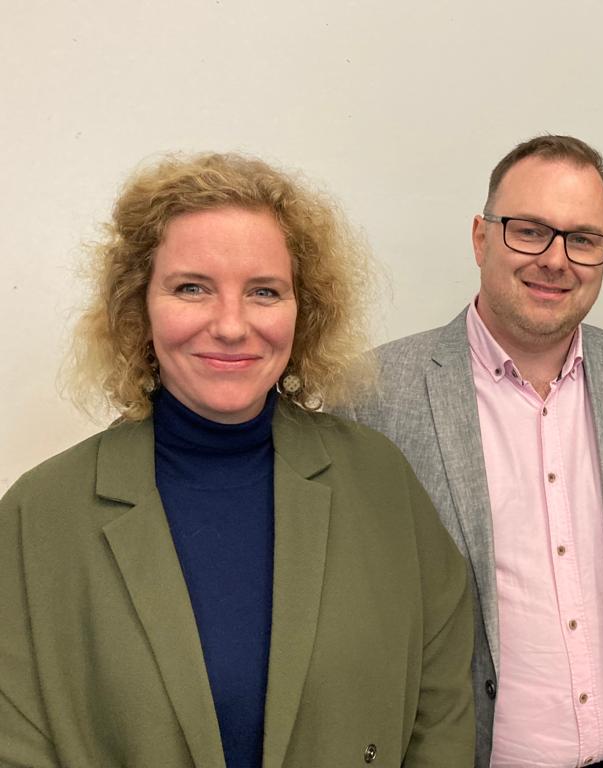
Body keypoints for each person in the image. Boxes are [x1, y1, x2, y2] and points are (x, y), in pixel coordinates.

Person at [0, 152, 474, 768]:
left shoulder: (380, 480)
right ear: (138, 306)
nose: (231, 325)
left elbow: (440, 711)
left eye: (264, 291)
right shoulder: (36, 518)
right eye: (191, 288)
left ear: (304, 310)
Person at [348, 135, 603, 768]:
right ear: (481, 238)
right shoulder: (376, 395)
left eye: (584, 239)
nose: (557, 260)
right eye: (529, 231)